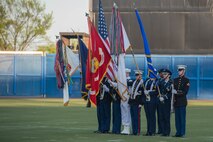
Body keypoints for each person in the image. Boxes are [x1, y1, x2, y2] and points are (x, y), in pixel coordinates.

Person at [173, 65, 190, 137]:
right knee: (177, 119)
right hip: (176, 102)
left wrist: (176, 92)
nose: (179, 71)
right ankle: (178, 132)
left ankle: (182, 133)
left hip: (182, 102)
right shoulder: (175, 80)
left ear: (184, 71)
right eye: (178, 70)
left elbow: (185, 91)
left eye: (180, 70)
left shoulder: (186, 80)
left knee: (182, 118)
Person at [128, 70, 144, 135]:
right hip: (132, 101)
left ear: (141, 76)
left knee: (136, 117)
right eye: (136, 75)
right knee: (133, 116)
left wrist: (141, 103)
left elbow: (142, 94)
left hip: (137, 102)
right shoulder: (134, 82)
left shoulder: (142, 83)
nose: (137, 76)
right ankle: (134, 130)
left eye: (138, 75)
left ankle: (137, 130)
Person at [158, 69, 173, 136]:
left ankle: (167, 132)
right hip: (161, 101)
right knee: (161, 117)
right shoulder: (161, 82)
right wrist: (160, 97)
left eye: (165, 74)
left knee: (166, 117)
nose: (163, 75)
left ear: (168, 75)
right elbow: (159, 91)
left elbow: (170, 94)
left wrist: (164, 97)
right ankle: (163, 131)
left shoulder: (171, 83)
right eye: (163, 74)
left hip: (167, 102)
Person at [120, 68, 133, 135]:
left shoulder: (129, 80)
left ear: (128, 73)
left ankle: (127, 128)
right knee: (123, 112)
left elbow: (129, 86)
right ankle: (124, 127)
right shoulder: (123, 80)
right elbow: (119, 85)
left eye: (125, 73)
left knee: (127, 112)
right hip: (122, 98)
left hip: (127, 98)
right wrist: (112, 83)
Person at [156, 68, 164, 135]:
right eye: (160, 73)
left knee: (163, 116)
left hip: (163, 100)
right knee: (159, 116)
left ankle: (163, 129)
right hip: (158, 100)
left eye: (161, 73)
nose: (160, 74)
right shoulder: (158, 80)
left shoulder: (165, 80)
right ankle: (160, 129)